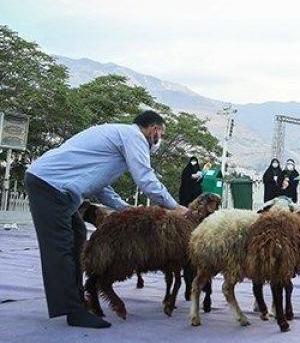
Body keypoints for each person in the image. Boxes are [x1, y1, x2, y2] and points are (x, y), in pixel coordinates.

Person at [24, 110, 189, 329]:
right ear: (154, 129)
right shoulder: (134, 137)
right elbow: (145, 178)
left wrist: (123, 208)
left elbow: (100, 184)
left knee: (77, 235)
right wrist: (174, 207)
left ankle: (77, 300)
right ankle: (73, 311)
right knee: (60, 246)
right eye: (162, 134)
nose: (159, 140)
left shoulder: (118, 139)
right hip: (49, 185)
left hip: (55, 187)